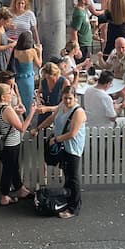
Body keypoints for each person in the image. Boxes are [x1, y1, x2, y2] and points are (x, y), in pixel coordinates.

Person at [47, 85, 87, 219]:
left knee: (73, 177)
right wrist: (38, 128)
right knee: (67, 175)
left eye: (70, 98)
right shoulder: (62, 105)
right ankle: (68, 200)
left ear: (75, 98)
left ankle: (74, 207)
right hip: (64, 146)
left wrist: (56, 140)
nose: (67, 101)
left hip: (73, 147)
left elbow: (73, 133)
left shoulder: (78, 112)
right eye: (65, 98)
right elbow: (52, 118)